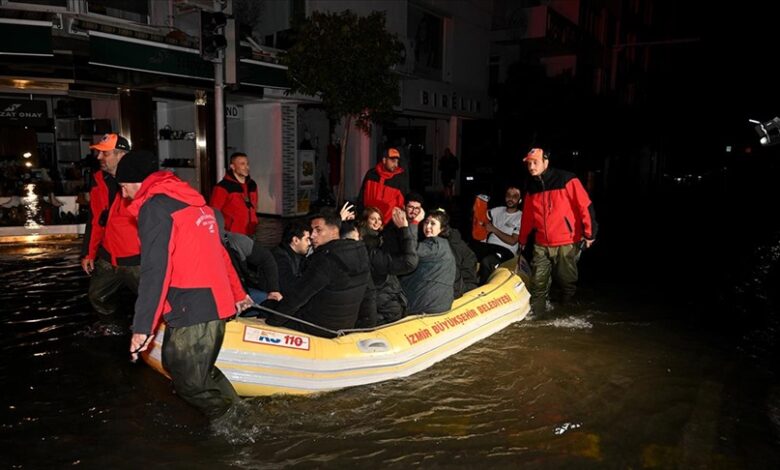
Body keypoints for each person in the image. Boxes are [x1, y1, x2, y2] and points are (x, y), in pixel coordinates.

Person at [117, 150, 252, 422]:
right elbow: (220, 252)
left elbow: (156, 269)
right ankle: (238, 411)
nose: (123, 195)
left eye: (122, 187)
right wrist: (238, 293)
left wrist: (142, 327)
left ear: (134, 182)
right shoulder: (195, 203)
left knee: (187, 379)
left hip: (192, 305)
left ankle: (231, 419)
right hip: (214, 302)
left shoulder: (154, 207)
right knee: (192, 368)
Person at [266, 209, 374, 337]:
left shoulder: (326, 259)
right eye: (312, 231)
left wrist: (272, 321)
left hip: (319, 327)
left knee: (269, 306)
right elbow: (369, 294)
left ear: (334, 231)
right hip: (345, 325)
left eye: (318, 230)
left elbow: (299, 296)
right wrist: (368, 328)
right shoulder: (361, 253)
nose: (312, 236)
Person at [518, 148, 597, 314]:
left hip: (567, 241)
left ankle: (567, 317)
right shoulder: (532, 186)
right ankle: (537, 317)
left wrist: (590, 234)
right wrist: (523, 239)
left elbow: (585, 206)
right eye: (529, 163)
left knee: (566, 282)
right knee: (537, 283)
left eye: (535, 162)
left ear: (546, 162)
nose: (531, 167)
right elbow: (528, 216)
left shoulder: (567, 179)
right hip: (541, 243)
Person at [80, 133, 140, 316]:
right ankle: (113, 331)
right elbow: (96, 220)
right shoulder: (99, 180)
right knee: (98, 296)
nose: (99, 157)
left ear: (121, 155)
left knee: (155, 301)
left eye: (105, 154)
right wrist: (88, 253)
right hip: (108, 256)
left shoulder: (141, 181)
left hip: (137, 259)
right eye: (99, 153)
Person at [361, 207, 419, 324]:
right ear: (365, 221)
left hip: (387, 299)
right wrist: (404, 229)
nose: (377, 222)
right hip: (383, 305)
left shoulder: (380, 239)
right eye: (373, 219)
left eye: (379, 219)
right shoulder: (370, 247)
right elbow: (409, 262)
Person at [400, 209, 456, 314]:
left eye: (433, 223)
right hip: (441, 304)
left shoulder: (434, 244)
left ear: (442, 229)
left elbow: (411, 249)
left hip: (425, 305)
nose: (428, 226)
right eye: (426, 222)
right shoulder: (444, 245)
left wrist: (412, 224)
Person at [472, 186, 523, 283]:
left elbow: (513, 241)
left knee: (487, 261)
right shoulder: (497, 210)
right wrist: (479, 204)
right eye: (508, 195)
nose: (511, 198)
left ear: (520, 200)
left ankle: (484, 290)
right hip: (488, 246)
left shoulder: (521, 217)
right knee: (467, 254)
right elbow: (480, 216)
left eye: (515, 196)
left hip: (506, 250)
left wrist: (494, 230)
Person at [223, 231, 282, 307]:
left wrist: (274, 289)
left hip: (241, 291)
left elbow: (266, 258)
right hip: (222, 295)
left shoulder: (234, 240)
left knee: (271, 302)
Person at [209, 152, 258, 236]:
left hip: (250, 231)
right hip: (232, 234)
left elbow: (254, 206)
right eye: (242, 164)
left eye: (247, 164)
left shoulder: (252, 185)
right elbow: (214, 211)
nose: (246, 167)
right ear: (233, 167)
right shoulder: (223, 187)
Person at [357, 147, 408, 226]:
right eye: (393, 161)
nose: (396, 164)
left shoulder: (400, 179)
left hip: (388, 225)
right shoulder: (371, 174)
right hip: (368, 221)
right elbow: (362, 196)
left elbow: (401, 203)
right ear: (384, 160)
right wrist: (361, 216)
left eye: (397, 162)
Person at [271, 220, 311, 295]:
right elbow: (288, 286)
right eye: (307, 239)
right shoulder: (279, 257)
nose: (309, 243)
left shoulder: (299, 257)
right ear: (295, 240)